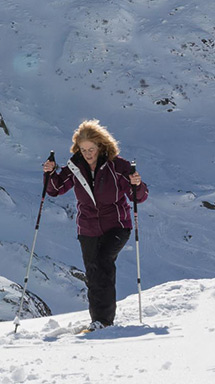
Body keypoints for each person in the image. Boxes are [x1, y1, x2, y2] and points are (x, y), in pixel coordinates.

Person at [43, 119, 148, 331]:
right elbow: (55, 189)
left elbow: (138, 196)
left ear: (101, 146)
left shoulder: (118, 166)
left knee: (102, 263)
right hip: (88, 228)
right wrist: (50, 173)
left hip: (117, 225)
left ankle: (104, 321)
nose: (88, 153)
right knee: (93, 272)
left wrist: (137, 184)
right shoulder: (75, 166)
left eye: (91, 149)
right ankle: (97, 320)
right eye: (83, 150)